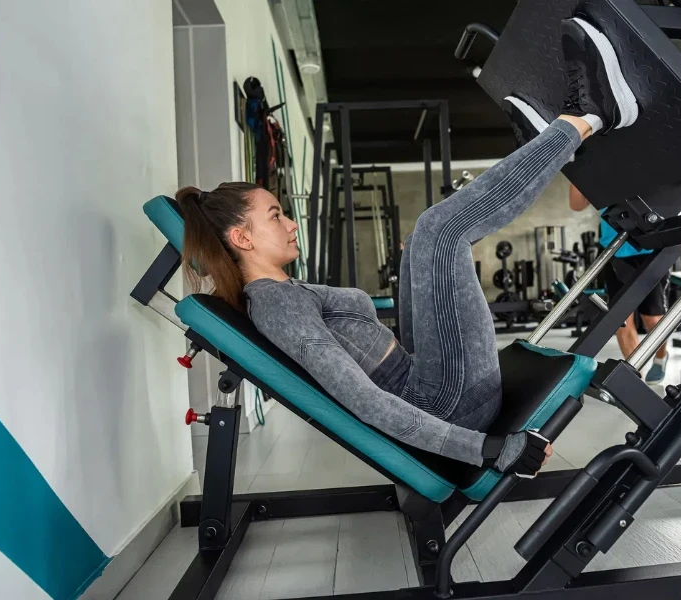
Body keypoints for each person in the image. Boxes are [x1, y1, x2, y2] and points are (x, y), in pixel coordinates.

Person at [177, 16, 638, 476]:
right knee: (439, 232)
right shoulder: (276, 306)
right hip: (446, 405)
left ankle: (548, 146)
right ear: (242, 238)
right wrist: (487, 450)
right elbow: (364, 401)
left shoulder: (280, 294)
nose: (292, 224)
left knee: (422, 240)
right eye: (276, 216)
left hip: (428, 383)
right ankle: (591, 116)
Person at [568, 186, 670, 384]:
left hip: (651, 245)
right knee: (620, 319)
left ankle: (660, 357)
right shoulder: (594, 165)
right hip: (614, 248)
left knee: (653, 319)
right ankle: (635, 377)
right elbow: (576, 205)